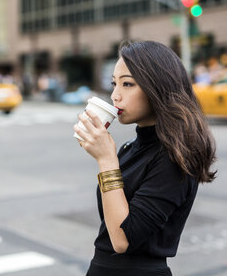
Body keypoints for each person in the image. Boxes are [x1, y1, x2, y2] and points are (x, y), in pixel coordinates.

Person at [73, 41, 217, 276]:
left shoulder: (175, 157)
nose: (115, 95)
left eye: (127, 84)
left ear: (157, 87)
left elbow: (123, 240)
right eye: (114, 83)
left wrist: (107, 160)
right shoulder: (131, 147)